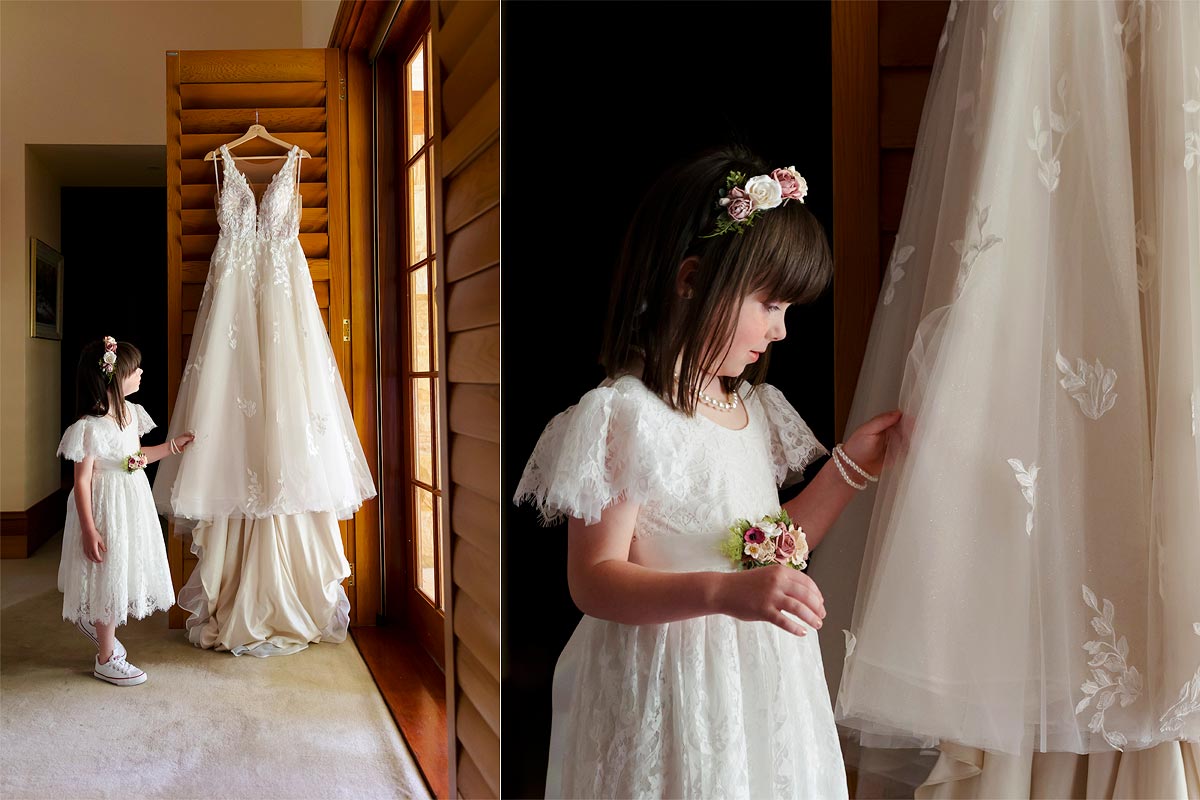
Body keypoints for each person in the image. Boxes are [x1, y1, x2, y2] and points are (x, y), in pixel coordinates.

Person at [514, 146, 904, 799]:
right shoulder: (624, 416)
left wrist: (849, 470)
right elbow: (594, 581)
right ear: (692, 280)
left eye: (789, 312)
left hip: (759, 678)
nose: (780, 331)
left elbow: (764, 550)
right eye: (770, 305)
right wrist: (726, 596)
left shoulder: (751, 408)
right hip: (674, 684)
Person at [56, 336, 194, 685]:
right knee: (107, 575)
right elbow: (82, 481)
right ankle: (105, 657)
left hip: (131, 500)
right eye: (134, 370)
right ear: (114, 379)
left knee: (122, 569)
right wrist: (89, 528)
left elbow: (134, 459)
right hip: (104, 506)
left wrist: (172, 446)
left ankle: (99, 628)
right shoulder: (88, 427)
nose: (141, 372)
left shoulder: (131, 413)